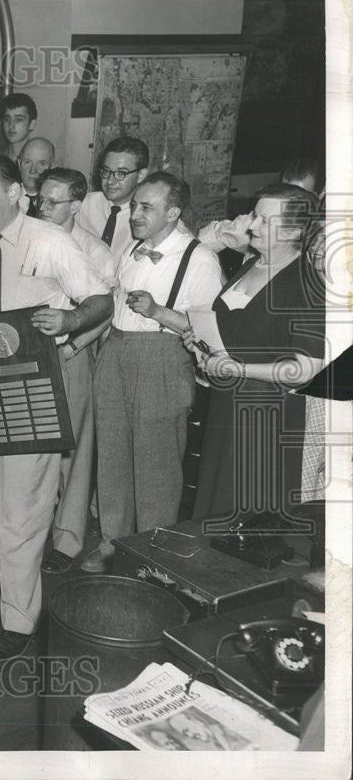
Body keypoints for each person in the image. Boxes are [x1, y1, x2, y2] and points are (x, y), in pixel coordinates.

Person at [0, 156, 113, 658]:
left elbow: (100, 299)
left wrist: (70, 318)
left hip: (31, 387)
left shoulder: (51, 241)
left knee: (22, 508)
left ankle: (20, 618)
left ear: (17, 193)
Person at [85, 172, 223, 574]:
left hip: (163, 358)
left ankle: (154, 555)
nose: (135, 214)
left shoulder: (200, 259)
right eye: (134, 206)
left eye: (146, 207)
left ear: (173, 212)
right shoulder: (131, 249)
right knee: (111, 455)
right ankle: (112, 543)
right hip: (117, 351)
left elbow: (212, 333)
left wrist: (160, 312)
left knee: (157, 465)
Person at [186, 184, 325, 524]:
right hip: (227, 407)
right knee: (216, 507)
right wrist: (203, 345)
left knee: (245, 517)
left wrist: (239, 369)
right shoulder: (253, 265)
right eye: (255, 217)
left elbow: (307, 369)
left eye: (265, 221)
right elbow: (238, 332)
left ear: (293, 230)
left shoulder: (305, 285)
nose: (252, 227)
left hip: (266, 416)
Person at [36, 167, 116, 574]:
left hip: (70, 355)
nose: (43, 207)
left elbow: (106, 307)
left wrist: (74, 344)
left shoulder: (93, 249)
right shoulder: (31, 237)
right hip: (32, 358)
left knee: (73, 449)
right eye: (41, 199)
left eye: (54, 201)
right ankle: (32, 533)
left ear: (77, 205)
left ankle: (66, 541)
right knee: (34, 447)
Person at [75, 136, 150, 257]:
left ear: (141, 175)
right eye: (106, 171)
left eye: (121, 173)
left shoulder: (151, 216)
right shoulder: (84, 204)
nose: (110, 181)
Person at [17, 138, 55, 216]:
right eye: (27, 162)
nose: (33, 170)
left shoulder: (59, 204)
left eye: (41, 164)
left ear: (52, 167)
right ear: (19, 165)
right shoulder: (6, 199)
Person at [0, 92, 38, 163]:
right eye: (7, 119)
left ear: (31, 124)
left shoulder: (37, 161)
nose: (11, 125)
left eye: (18, 120)